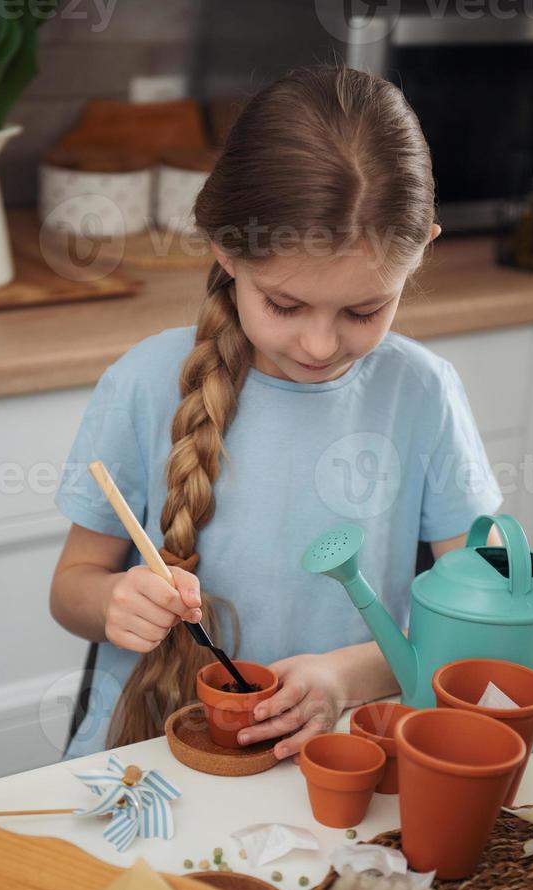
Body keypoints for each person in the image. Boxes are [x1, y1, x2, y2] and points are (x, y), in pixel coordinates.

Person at [50, 65, 503, 762]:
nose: (322, 345)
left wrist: (345, 676)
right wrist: (115, 602)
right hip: (146, 754)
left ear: (418, 259)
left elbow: (480, 622)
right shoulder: (145, 381)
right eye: (285, 306)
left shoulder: (423, 393)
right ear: (226, 250)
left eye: (364, 309)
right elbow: (71, 589)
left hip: (341, 754)